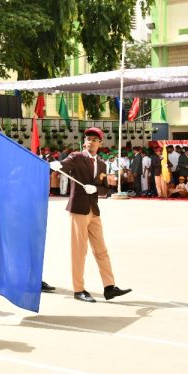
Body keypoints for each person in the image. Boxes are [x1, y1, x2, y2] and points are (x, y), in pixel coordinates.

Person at [49, 127, 132, 303]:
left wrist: (96, 188)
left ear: (100, 143)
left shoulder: (102, 164)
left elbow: (103, 187)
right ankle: (78, 289)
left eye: (95, 139)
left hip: (94, 210)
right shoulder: (77, 157)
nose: (91, 142)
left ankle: (109, 287)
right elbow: (65, 165)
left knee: (101, 250)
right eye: (88, 138)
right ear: (84, 141)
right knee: (79, 251)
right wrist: (57, 165)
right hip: (78, 209)